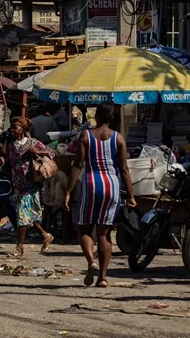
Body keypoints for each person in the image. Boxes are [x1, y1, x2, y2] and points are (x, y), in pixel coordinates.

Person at [64, 102, 136, 288]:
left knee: (84, 229)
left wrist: (68, 191)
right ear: (112, 118)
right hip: (112, 186)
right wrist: (131, 195)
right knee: (104, 233)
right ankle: (103, 278)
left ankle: (91, 261)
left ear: (95, 116)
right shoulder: (119, 138)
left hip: (91, 185)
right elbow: (124, 169)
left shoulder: (86, 136)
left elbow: (77, 166)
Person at [7, 116, 55, 258]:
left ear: (23, 129)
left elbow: (51, 153)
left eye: (16, 127)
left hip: (31, 185)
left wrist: (38, 153)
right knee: (30, 217)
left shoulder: (33, 143)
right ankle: (45, 235)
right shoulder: (11, 145)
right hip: (18, 185)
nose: (13, 130)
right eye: (12, 128)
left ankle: (19, 246)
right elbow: (11, 162)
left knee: (22, 215)